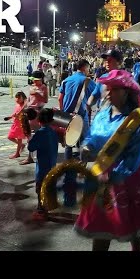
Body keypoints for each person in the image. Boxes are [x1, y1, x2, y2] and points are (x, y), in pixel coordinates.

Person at [77, 70, 140, 251]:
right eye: (108, 88)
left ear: (126, 92)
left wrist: (118, 174)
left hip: (130, 177)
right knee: (101, 227)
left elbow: (136, 153)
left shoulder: (138, 119)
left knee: (133, 224)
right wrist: (87, 147)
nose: (108, 93)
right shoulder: (103, 114)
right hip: (103, 175)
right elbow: (92, 136)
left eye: (114, 89)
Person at [58, 59, 96, 207]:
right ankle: (81, 168)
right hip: (81, 117)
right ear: (85, 68)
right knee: (85, 143)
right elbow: (93, 100)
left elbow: (60, 98)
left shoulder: (66, 80)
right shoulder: (87, 81)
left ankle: (69, 166)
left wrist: (63, 113)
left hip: (67, 117)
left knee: (69, 143)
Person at [28, 108, 59, 221]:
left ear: (39, 120)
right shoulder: (53, 132)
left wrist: (30, 138)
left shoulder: (39, 133)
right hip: (52, 166)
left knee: (40, 189)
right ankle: (49, 206)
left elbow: (31, 147)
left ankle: (42, 211)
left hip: (42, 168)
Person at [19, 70, 48, 165]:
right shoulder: (32, 87)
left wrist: (38, 94)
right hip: (29, 112)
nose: (34, 82)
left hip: (37, 113)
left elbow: (46, 100)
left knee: (35, 135)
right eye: (33, 80)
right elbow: (28, 100)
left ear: (41, 80)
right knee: (28, 135)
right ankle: (30, 156)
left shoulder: (43, 87)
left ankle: (33, 156)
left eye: (36, 80)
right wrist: (21, 110)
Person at [4, 91, 28, 159]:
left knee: (19, 138)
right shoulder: (17, 105)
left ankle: (17, 153)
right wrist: (10, 117)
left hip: (21, 124)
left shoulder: (25, 106)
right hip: (15, 123)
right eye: (16, 98)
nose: (17, 100)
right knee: (10, 137)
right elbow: (15, 113)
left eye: (19, 98)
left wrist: (19, 113)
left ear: (23, 98)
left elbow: (25, 105)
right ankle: (21, 145)